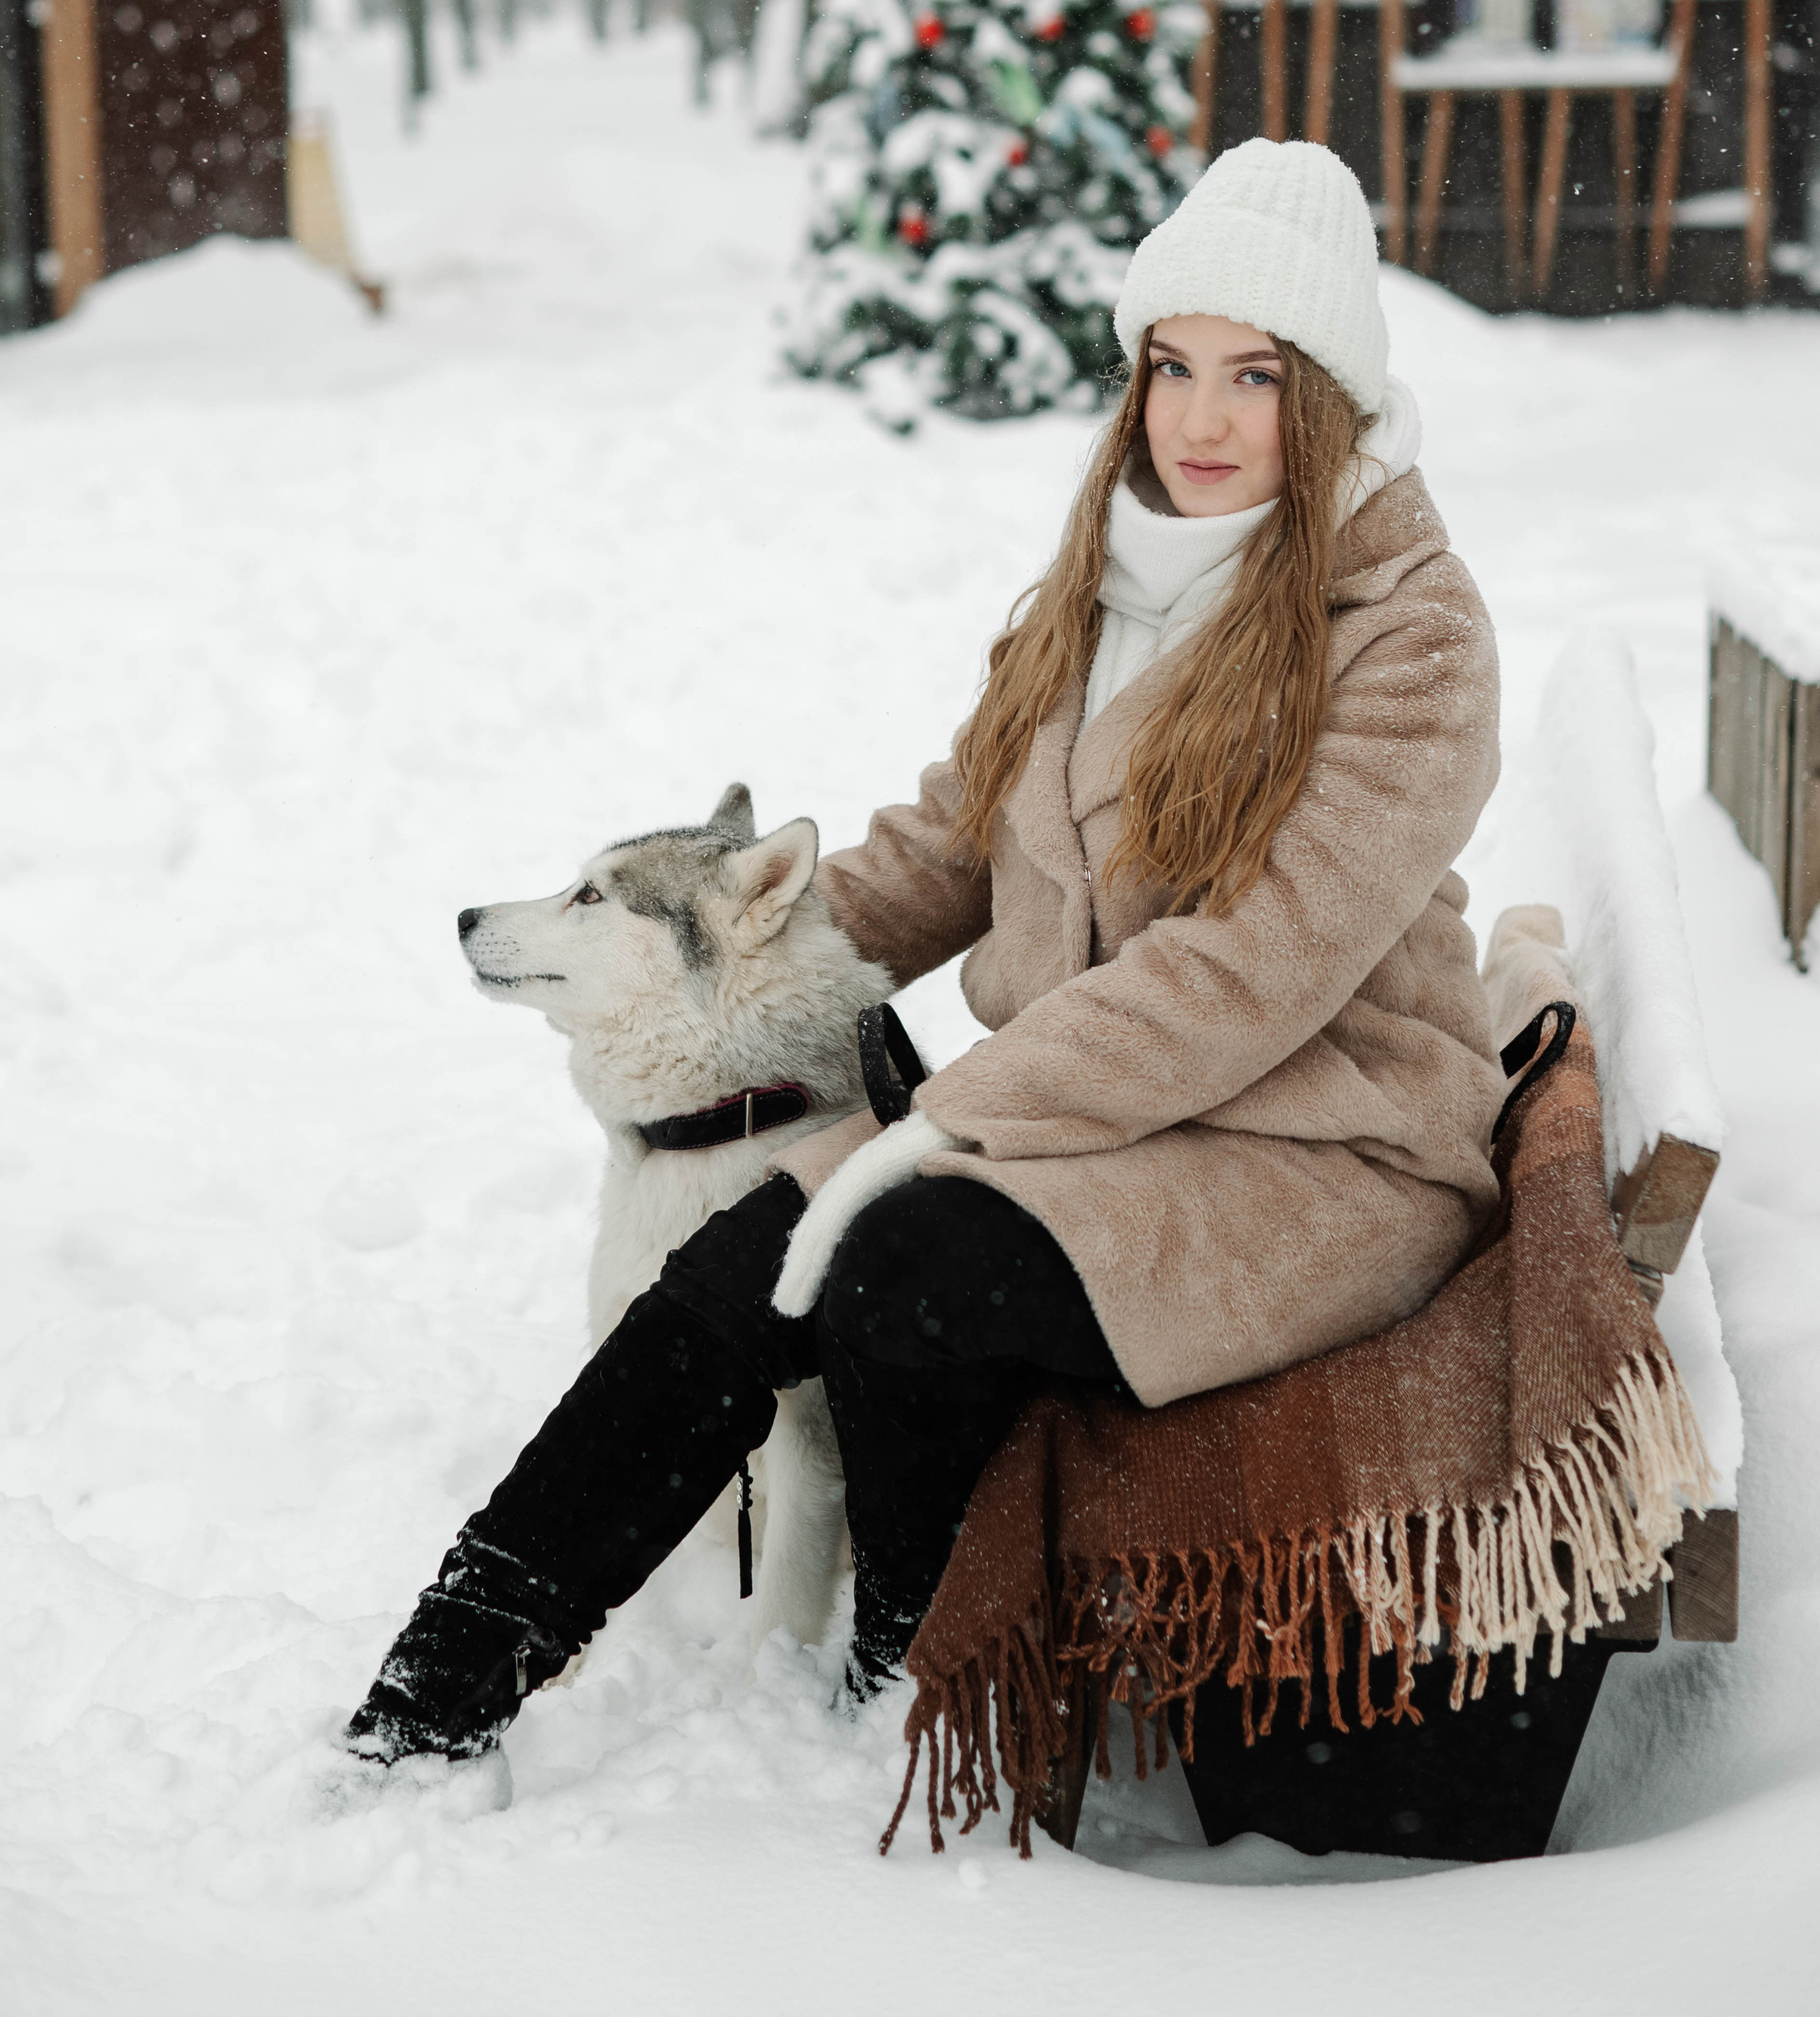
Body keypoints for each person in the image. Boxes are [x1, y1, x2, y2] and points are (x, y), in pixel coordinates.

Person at [343, 139, 1502, 1767]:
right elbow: (941, 851)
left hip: (1314, 1158)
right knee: (758, 1246)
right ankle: (438, 1690)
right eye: (1170, 367)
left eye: (1256, 375)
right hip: (1102, 1132)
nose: (1201, 418)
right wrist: (743, 944)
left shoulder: (1408, 637)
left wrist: (928, 1126)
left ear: (1329, 399)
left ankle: (908, 1674)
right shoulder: (1092, 592)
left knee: (897, 1259)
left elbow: (1245, 976)